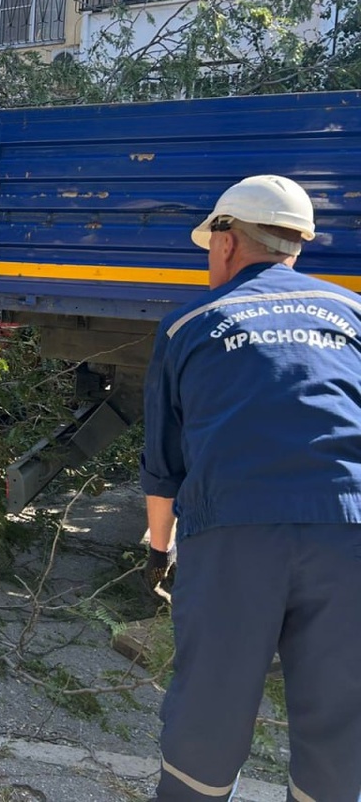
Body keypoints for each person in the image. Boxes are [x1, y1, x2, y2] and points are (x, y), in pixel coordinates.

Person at [140, 175, 361, 800]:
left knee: (210, 711)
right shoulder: (352, 313)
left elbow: (165, 468)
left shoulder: (188, 324)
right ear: (295, 247)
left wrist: (160, 552)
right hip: (351, 529)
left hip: (236, 530)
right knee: (344, 723)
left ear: (229, 241)